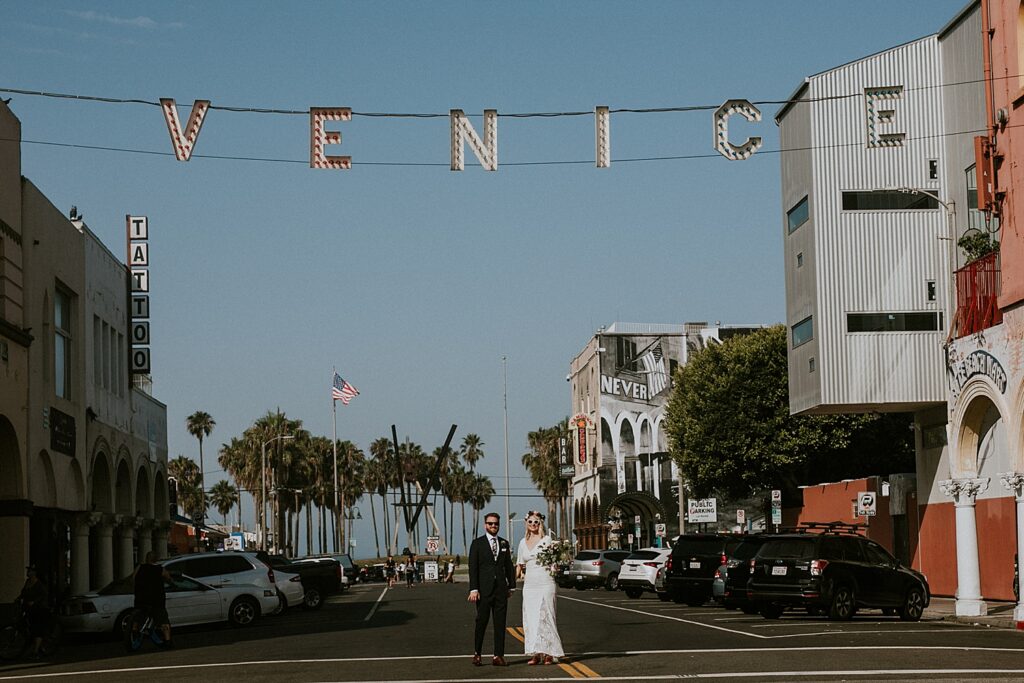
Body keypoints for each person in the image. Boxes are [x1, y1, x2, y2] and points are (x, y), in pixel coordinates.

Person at [515, 511, 565, 665]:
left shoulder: (547, 540)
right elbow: (519, 564)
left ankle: (549, 652)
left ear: (540, 523)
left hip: (545, 582)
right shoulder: (523, 542)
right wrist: (510, 583)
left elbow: (554, 561)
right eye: (530, 522)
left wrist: (555, 567)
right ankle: (536, 653)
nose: (533, 525)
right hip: (530, 584)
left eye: (536, 522)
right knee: (531, 619)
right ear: (526, 524)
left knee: (547, 616)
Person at [467, 511, 515, 667]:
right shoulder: (477, 543)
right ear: (485, 525)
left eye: (496, 524)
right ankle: (477, 653)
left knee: (500, 624)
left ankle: (498, 656)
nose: (493, 526)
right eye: (490, 523)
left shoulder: (504, 543)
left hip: (501, 590)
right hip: (483, 590)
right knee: (481, 622)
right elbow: (473, 568)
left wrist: (511, 586)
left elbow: (508, 566)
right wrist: (474, 589)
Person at [133, 551, 173, 647]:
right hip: (156, 599)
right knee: (163, 620)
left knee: (138, 614)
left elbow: (133, 578)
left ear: (146, 559)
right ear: (156, 559)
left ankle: (134, 628)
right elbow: (169, 578)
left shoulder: (140, 567)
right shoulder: (160, 569)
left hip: (141, 598)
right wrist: (170, 580)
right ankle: (167, 641)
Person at [18, 566, 51, 659]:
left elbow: (43, 595)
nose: (27, 572)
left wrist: (34, 601)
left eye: (30, 571)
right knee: (28, 626)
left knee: (37, 628)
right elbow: (23, 593)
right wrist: (18, 598)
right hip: (28, 608)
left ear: (34, 573)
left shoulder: (39, 584)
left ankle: (35, 651)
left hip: (39, 609)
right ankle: (37, 646)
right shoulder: (28, 582)